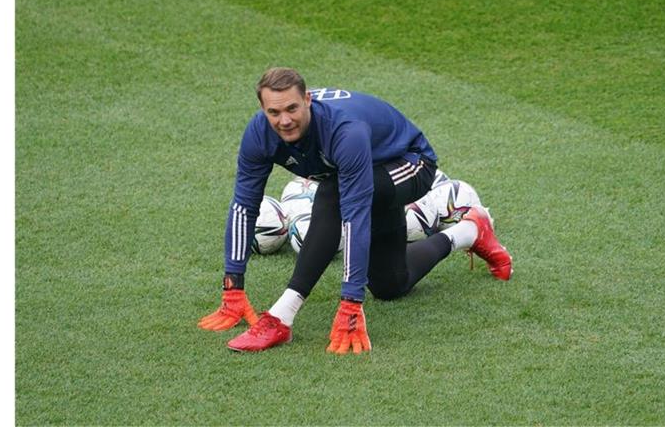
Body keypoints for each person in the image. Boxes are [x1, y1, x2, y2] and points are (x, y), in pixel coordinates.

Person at [198, 67, 513, 354]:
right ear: (263, 110)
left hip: (409, 163)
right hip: (364, 167)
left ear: (307, 100)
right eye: (274, 112)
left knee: (332, 194)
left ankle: (281, 317)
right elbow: (244, 204)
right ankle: (471, 229)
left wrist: (351, 303)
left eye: (292, 108)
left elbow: (355, 215)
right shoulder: (260, 133)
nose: (284, 120)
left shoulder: (343, 131)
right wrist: (233, 289)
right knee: (390, 284)